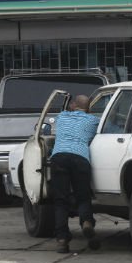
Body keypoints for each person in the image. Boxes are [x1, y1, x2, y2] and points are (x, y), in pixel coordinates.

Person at [51, 95, 101, 253]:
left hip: (59, 158)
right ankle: (86, 221)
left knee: (60, 201)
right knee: (83, 196)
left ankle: (62, 239)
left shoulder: (61, 117)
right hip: (80, 158)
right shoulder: (93, 121)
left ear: (72, 106)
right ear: (88, 108)